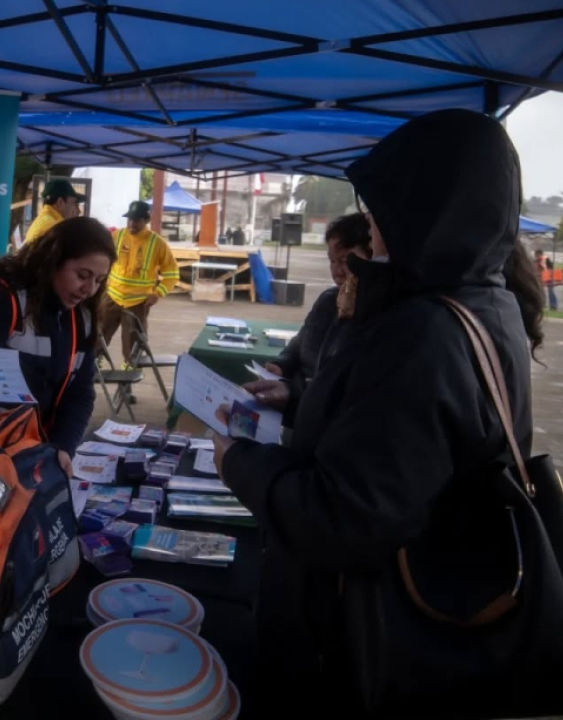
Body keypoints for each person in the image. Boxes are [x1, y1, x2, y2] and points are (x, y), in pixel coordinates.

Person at [210, 109, 538, 707]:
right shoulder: (488, 305)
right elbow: (388, 437)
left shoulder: (423, 329)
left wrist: (238, 461)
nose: (371, 227)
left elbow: (342, 518)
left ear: (420, 208)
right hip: (426, 604)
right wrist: (301, 399)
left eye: (378, 210)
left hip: (359, 632)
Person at [0, 217, 115, 473]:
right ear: (53, 260)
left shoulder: (81, 317)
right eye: (82, 275)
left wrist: (62, 448)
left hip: (37, 456)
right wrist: (21, 453)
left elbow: (80, 392)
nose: (89, 289)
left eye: (99, 280)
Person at [250, 213, 372, 422]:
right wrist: (281, 365)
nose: (337, 270)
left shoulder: (376, 316)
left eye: (345, 260)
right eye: (332, 261)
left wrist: (293, 395)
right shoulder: (327, 300)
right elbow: (299, 344)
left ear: (372, 256)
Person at [100, 200, 180, 367]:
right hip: (111, 297)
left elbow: (172, 274)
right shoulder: (116, 237)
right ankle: (93, 368)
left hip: (137, 303)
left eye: (137, 220)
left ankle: (128, 377)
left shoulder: (157, 243)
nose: (132, 224)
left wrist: (158, 293)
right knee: (98, 336)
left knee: (133, 345)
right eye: (130, 219)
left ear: (147, 220)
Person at [24, 178, 84, 246]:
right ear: (60, 202)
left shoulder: (45, 222)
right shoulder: (54, 228)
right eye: (75, 204)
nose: (79, 211)